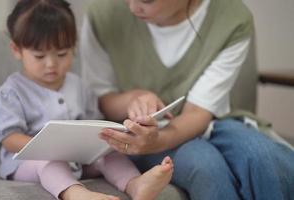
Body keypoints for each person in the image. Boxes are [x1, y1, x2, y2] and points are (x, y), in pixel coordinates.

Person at [80, 0, 294, 199]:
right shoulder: (103, 13)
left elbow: (198, 113)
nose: (133, 8)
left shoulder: (232, 19)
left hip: (213, 122)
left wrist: (156, 140)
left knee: (265, 158)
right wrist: (134, 98)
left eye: (147, 0)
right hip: (134, 131)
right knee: (206, 165)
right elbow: (102, 99)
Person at [0, 0, 174, 200]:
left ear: (73, 47)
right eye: (39, 56)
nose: (51, 64)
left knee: (110, 155)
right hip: (29, 163)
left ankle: (136, 184)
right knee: (50, 163)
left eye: (61, 54)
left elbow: (94, 124)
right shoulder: (10, 93)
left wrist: (103, 140)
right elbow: (9, 139)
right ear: (17, 50)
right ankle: (75, 193)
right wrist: (52, 147)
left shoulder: (79, 86)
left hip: (78, 160)